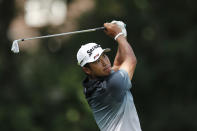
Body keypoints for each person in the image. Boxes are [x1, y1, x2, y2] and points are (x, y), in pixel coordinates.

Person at [77, 21, 142, 131]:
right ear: (87, 69)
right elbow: (131, 60)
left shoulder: (98, 80)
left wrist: (122, 36)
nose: (105, 63)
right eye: (97, 61)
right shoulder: (109, 87)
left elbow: (117, 65)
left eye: (104, 56)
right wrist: (118, 34)